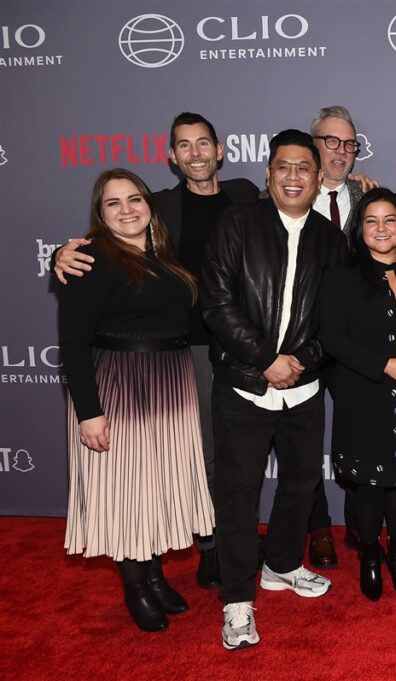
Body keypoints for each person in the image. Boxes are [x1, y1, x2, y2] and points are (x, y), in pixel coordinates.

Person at [52, 113, 259, 589]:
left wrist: (351, 182)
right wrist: (61, 255)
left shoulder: (247, 194)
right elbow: (100, 248)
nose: (196, 153)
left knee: (216, 459)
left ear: (220, 150)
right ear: (171, 156)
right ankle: (209, 551)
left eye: (203, 143)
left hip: (237, 350)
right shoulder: (159, 205)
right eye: (184, 145)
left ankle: (233, 542)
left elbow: (296, 199)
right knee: (183, 463)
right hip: (187, 355)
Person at [201, 129, 345, 649]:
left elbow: (337, 319)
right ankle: (238, 598)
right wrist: (265, 360)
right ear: (268, 173)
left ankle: (281, 565)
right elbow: (216, 302)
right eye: (283, 166)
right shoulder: (237, 223)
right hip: (243, 384)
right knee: (238, 493)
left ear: (318, 176)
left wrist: (300, 363)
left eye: (304, 167)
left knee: (302, 483)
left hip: (302, 388)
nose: (293, 176)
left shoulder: (332, 239)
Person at [59, 168, 215, 632]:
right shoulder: (90, 258)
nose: (126, 209)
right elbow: (73, 342)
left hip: (169, 383)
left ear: (150, 205)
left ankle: (155, 577)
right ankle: (136, 586)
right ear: (100, 213)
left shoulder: (164, 254)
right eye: (113, 203)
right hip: (119, 386)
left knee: (156, 488)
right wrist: (89, 413)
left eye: (134, 199)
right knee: (125, 492)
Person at [319, 188, 396, 602]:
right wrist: (383, 364)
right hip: (364, 396)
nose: (381, 228)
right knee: (369, 487)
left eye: (390, 219)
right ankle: (370, 556)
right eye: (371, 221)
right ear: (359, 229)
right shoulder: (342, 276)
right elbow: (332, 337)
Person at [307, 105, 380, 567]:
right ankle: (318, 528)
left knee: (359, 430)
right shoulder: (283, 192)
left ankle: (358, 521)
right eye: (331, 141)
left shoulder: (367, 194)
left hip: (354, 339)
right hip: (301, 338)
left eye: (349, 144)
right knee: (304, 438)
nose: (340, 151)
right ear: (313, 145)